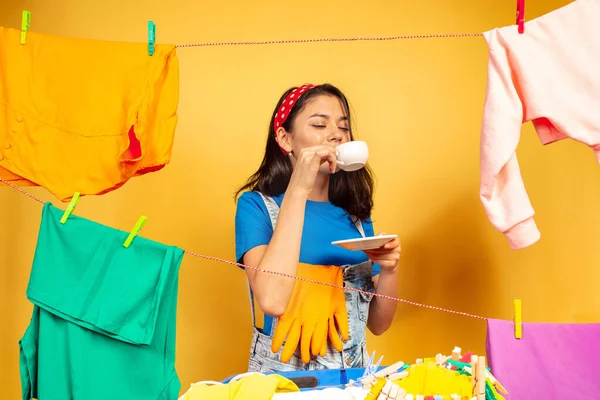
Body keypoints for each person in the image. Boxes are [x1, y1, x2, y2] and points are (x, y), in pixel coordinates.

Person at [234, 83, 401, 373]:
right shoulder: (256, 206)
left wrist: (390, 270)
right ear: (285, 140)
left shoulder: (357, 217)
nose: (336, 134)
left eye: (343, 126)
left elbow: (379, 324)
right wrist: (299, 187)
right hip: (283, 378)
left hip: (353, 378)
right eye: (320, 124)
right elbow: (272, 300)